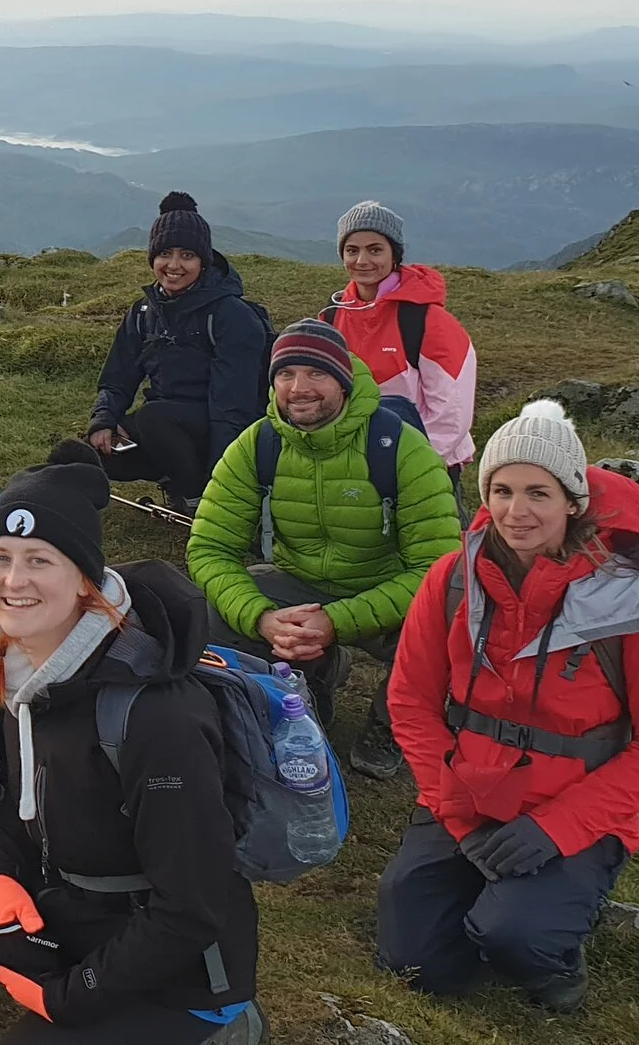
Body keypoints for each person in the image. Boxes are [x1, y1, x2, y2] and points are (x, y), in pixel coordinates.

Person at [0, 442, 263, 1045]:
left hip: (181, 967)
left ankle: (226, 1033)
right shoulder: (17, 670)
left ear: (85, 579)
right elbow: (21, 819)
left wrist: (69, 997)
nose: (14, 581)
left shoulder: (155, 716)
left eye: (40, 560)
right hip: (65, 902)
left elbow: (192, 908)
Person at [378, 400, 639, 1014]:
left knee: (515, 939)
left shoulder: (636, 606)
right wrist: (457, 813)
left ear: (573, 501)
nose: (515, 511)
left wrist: (555, 829)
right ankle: (496, 904)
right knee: (413, 963)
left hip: (572, 807)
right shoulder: (452, 579)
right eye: (500, 490)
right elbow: (411, 701)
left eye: (538, 493)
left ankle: (553, 960)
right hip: (465, 795)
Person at [186, 319, 459, 779]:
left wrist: (337, 621)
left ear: (343, 380)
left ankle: (391, 721)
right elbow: (209, 549)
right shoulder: (258, 446)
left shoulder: (401, 449)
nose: (299, 389)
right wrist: (262, 618)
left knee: (454, 617)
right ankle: (304, 683)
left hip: (386, 592)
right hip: (299, 589)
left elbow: (439, 568)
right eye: (286, 375)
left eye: (316, 374)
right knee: (213, 611)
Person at [87, 192, 269, 512]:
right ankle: (176, 476)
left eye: (187, 255)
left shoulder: (231, 315)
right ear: (152, 258)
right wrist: (104, 420)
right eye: (165, 254)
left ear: (203, 261)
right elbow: (117, 377)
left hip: (221, 428)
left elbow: (233, 408)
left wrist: (222, 483)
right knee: (98, 454)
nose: (174, 266)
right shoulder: (144, 312)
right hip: (168, 429)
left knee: (154, 418)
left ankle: (197, 496)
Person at [322, 201, 479, 481]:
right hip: (356, 464)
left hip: (425, 464)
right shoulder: (331, 317)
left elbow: (452, 411)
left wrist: (414, 461)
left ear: (395, 254)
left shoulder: (427, 319)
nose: (362, 261)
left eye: (375, 249)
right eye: (352, 250)